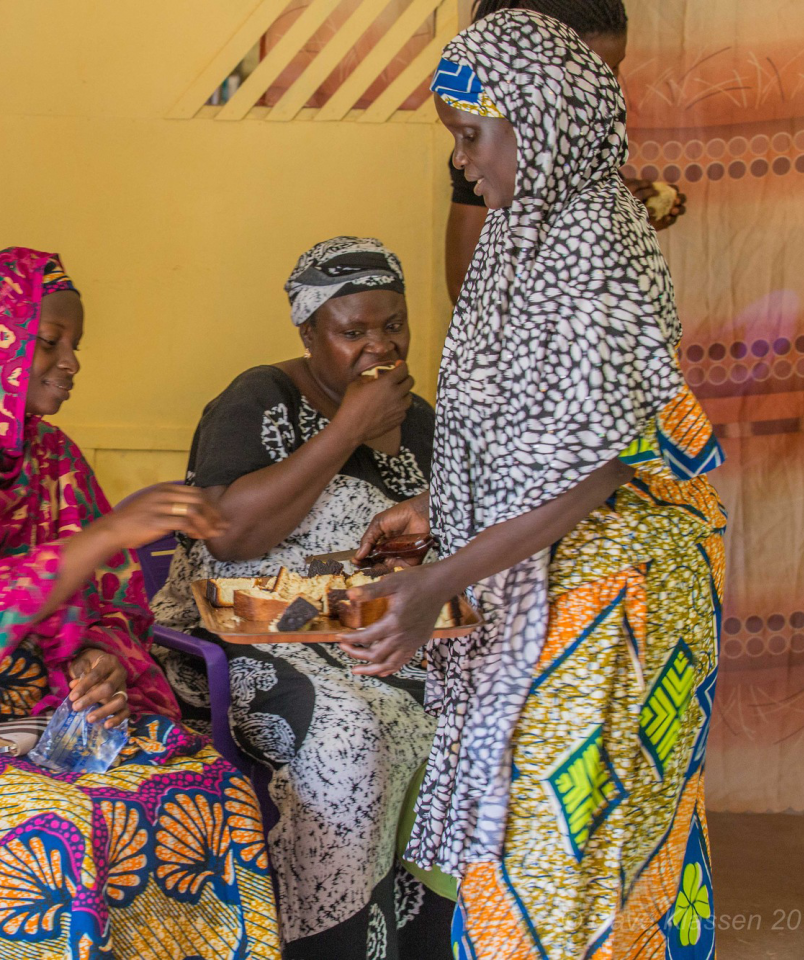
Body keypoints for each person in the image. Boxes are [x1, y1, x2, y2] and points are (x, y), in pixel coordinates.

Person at [342, 11, 727, 958]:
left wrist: (433, 583)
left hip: (612, 587)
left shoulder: (592, 236)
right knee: (523, 840)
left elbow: (591, 471)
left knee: (572, 846)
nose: (465, 163)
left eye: (472, 137)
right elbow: (532, 430)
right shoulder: (526, 232)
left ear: (543, 114)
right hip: (549, 565)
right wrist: (442, 506)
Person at [0, 248, 280, 960]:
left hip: (53, 721)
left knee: (213, 790)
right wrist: (109, 532)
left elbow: (114, 601)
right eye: (49, 343)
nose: (71, 362)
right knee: (58, 830)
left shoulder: (50, 456)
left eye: (75, 346)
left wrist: (105, 657)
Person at [149, 237, 452, 960]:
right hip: (239, 631)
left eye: (394, 326)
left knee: (469, 704)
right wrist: (347, 427)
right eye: (352, 332)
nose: (378, 346)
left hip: (367, 625)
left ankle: (426, 941)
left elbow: (440, 537)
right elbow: (229, 536)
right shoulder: (259, 397)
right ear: (309, 332)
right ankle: (334, 945)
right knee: (346, 731)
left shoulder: (419, 421)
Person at [444, 0, 688, 302]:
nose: (609, 90)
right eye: (588, 75)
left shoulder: (581, 141)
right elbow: (467, 291)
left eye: (613, 69)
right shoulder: (494, 161)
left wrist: (630, 219)